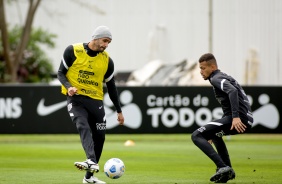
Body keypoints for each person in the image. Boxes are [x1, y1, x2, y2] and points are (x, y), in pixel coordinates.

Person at [57, 25, 124, 184]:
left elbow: (111, 86)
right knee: (82, 125)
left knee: (100, 138)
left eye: (109, 42)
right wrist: (69, 87)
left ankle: (89, 178)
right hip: (76, 99)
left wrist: (119, 110)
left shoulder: (107, 60)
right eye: (105, 40)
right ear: (95, 38)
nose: (106, 45)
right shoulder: (72, 50)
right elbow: (60, 72)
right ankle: (91, 160)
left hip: (96, 102)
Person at [191, 53, 253, 183]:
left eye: (203, 68)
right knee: (214, 135)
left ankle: (223, 167)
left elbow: (233, 91)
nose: (200, 72)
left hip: (239, 118)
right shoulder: (221, 77)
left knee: (196, 135)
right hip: (244, 118)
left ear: (212, 67)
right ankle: (226, 171)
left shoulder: (216, 78)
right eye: (200, 68)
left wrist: (236, 117)